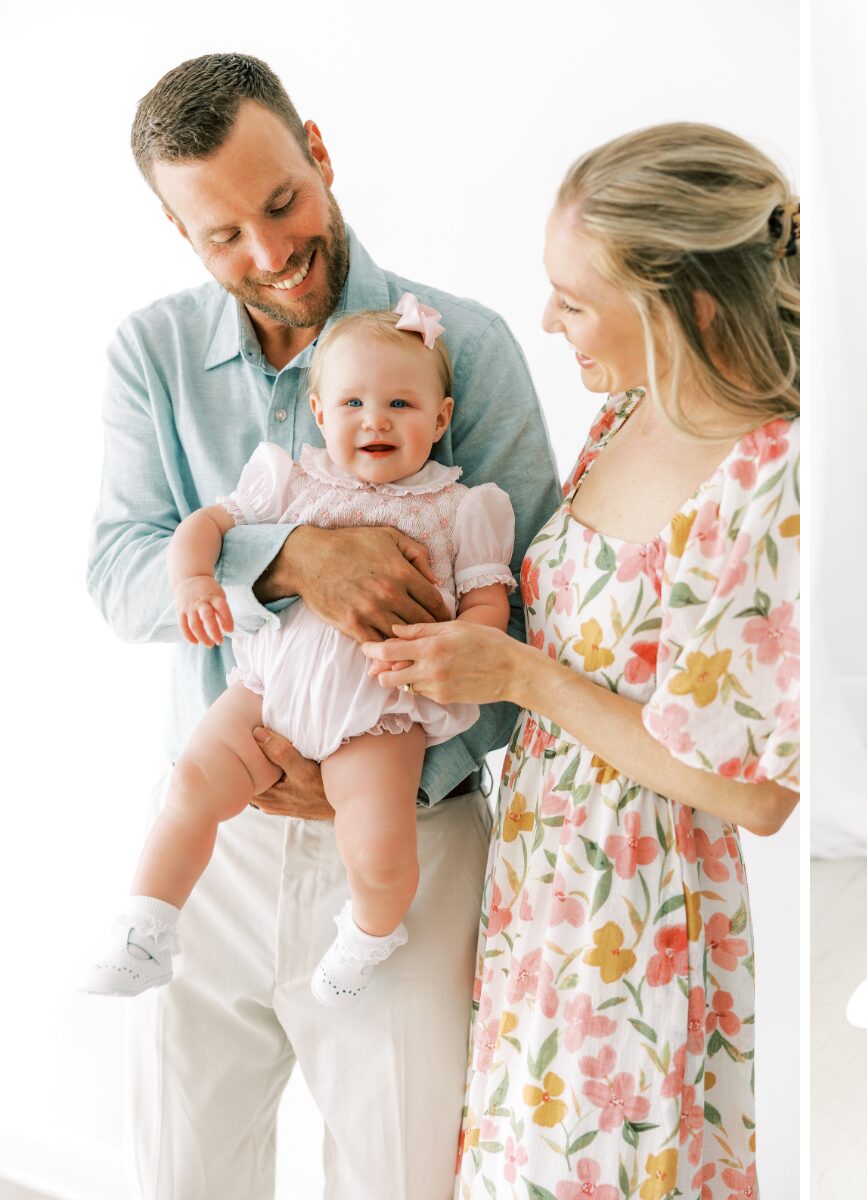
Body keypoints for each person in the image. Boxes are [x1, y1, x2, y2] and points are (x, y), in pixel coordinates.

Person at [88, 54, 559, 1198]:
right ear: (175, 229)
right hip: (222, 839)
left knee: (401, 1176)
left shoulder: (468, 347)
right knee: (185, 1174)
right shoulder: (151, 355)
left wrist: (379, 756)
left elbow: (535, 620)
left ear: (319, 151)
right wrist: (293, 555)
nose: (266, 253)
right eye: (222, 234)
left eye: (283, 202)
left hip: (414, 836)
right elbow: (119, 571)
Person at [360, 124, 801, 1198]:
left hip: (641, 919)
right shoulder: (628, 412)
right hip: (543, 889)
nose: (548, 321)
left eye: (575, 298)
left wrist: (517, 678)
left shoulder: (768, 478)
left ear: (682, 303)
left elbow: (753, 796)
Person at [83, 299, 516, 1009]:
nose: (374, 419)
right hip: (265, 692)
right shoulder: (290, 481)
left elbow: (488, 604)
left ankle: (369, 934)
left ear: (439, 420)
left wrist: (461, 646)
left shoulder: (460, 509)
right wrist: (194, 579)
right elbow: (204, 525)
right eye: (352, 402)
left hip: (382, 707)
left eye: (400, 403)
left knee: (378, 847)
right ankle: (148, 925)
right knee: (190, 783)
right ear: (318, 412)